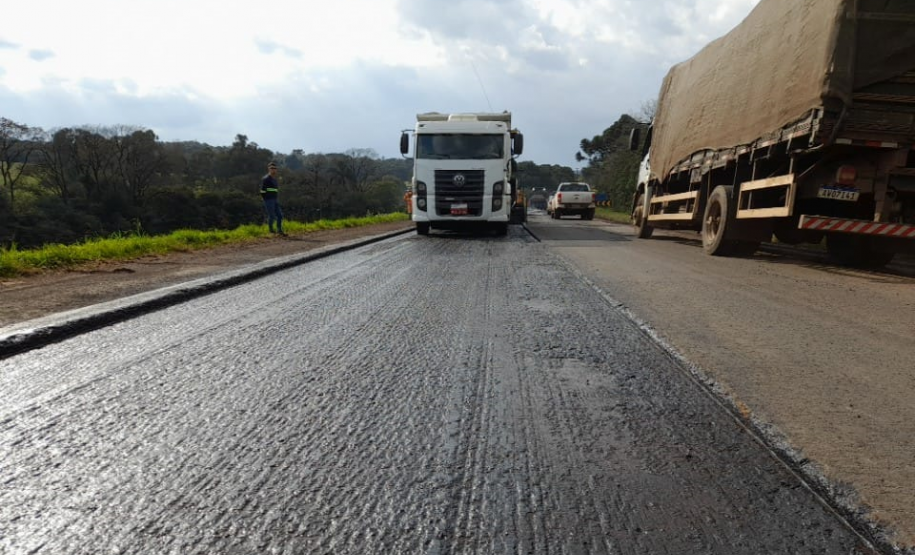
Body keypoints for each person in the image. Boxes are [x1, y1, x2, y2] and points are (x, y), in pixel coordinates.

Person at [260, 161, 286, 236]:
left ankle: (279, 230)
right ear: (269, 169)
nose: (273, 169)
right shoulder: (266, 179)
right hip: (268, 200)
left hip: (275, 200)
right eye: (272, 168)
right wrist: (265, 199)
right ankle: (271, 230)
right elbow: (262, 191)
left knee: (280, 215)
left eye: (274, 168)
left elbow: (275, 190)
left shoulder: (274, 179)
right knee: (272, 216)